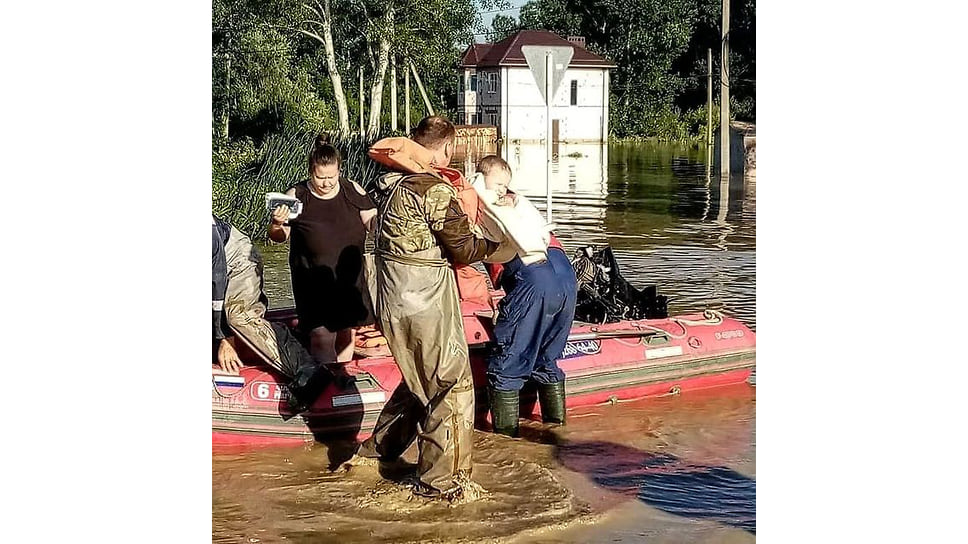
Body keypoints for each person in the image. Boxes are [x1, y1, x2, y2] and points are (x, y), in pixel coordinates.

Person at [354, 116, 498, 500]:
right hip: (425, 302)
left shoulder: (385, 182)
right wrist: (497, 246)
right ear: (447, 148)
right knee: (452, 386)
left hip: (392, 300)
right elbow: (463, 248)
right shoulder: (431, 189)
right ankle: (440, 484)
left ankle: (374, 454)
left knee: (417, 381)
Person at [473, 155, 578, 438]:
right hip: (565, 274)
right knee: (547, 358)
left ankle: (506, 444)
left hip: (533, 274)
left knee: (506, 363)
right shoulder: (518, 202)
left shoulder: (478, 201)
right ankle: (556, 432)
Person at [268, 136, 377, 364]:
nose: (327, 183)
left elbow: (373, 223)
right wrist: (277, 223)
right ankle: (326, 382)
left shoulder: (352, 190)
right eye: (320, 177)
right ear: (310, 172)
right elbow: (279, 237)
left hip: (349, 277)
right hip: (312, 280)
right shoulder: (296, 195)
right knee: (321, 335)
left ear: (339, 170)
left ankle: (343, 380)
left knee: (347, 332)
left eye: (332, 176)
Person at [213, 215, 332, 413]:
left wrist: (224, 339)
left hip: (237, 259)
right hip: (217, 265)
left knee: (238, 315)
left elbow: (216, 285)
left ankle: (308, 370)